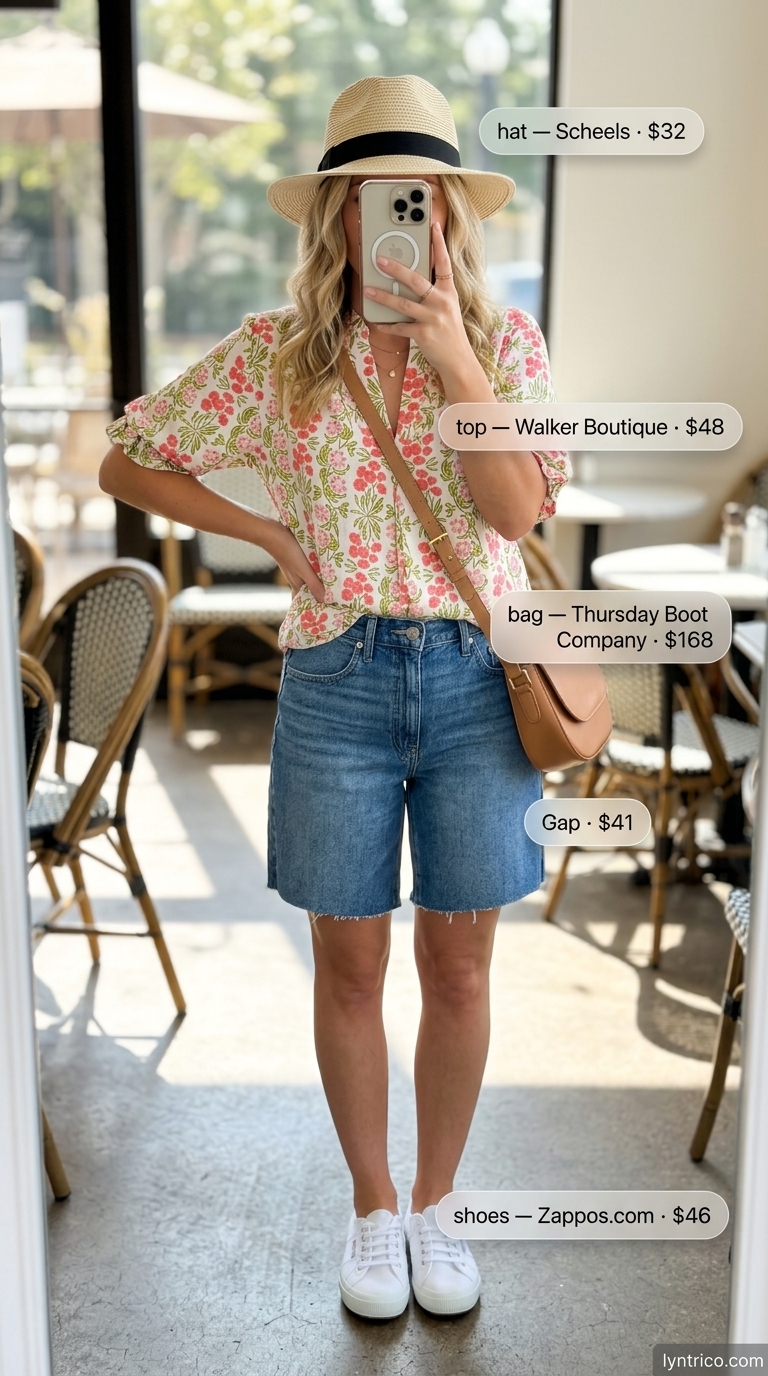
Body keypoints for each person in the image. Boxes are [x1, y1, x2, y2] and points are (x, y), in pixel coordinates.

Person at [100, 74, 569, 1322]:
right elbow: (128, 455)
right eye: (369, 201)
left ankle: (438, 1204)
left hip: (479, 678)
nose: (395, 222)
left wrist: (454, 353)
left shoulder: (509, 341)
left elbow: (517, 512)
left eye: (416, 200)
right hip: (336, 678)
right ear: (334, 218)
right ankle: (373, 1206)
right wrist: (261, 528)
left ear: (450, 214)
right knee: (349, 962)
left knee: (461, 968)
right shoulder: (276, 351)